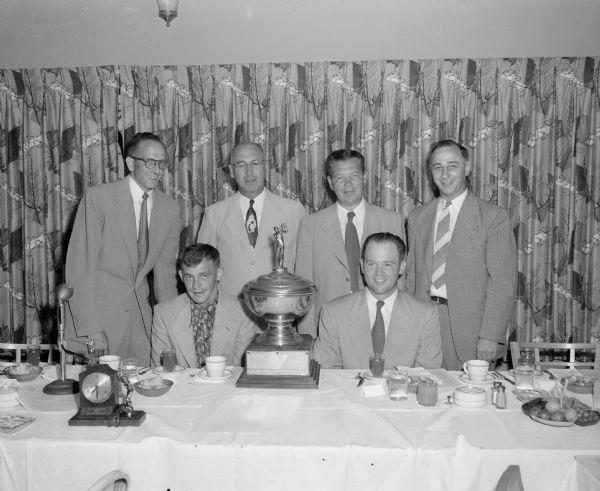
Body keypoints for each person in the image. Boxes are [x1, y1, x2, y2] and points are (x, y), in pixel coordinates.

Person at [65, 132, 180, 366]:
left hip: (141, 321)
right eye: (150, 161)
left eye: (162, 163)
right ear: (130, 163)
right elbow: (81, 267)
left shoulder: (170, 208)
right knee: (100, 395)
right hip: (99, 320)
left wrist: (171, 328)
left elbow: (165, 277)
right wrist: (91, 329)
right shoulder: (99, 198)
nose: (157, 169)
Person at [405, 139, 517, 370]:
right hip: (424, 324)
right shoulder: (417, 218)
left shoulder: (493, 218)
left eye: (452, 166)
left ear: (467, 168)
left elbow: (503, 283)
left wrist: (491, 335)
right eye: (438, 167)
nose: (445, 174)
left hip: (472, 331)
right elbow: (411, 278)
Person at [295, 149, 405, 338]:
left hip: (380, 325)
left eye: (354, 176)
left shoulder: (391, 221)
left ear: (365, 177)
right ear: (330, 182)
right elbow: (304, 287)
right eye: (339, 178)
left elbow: (400, 281)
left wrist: (398, 330)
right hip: (329, 329)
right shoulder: (310, 225)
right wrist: (308, 336)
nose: (348, 184)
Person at [312, 233, 442, 370]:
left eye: (387, 264)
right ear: (362, 266)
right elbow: (326, 374)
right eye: (372, 264)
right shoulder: (334, 312)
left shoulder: (425, 315)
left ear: (402, 267)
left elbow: (426, 377)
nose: (379, 272)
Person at [197, 142, 306, 298]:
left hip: (280, 309)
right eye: (241, 165)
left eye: (255, 163)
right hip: (230, 311)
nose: (249, 172)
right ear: (232, 171)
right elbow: (203, 270)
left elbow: (304, 267)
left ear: (265, 167)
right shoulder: (214, 214)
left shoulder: (294, 211)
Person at [151, 244, 257, 368]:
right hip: (181, 387)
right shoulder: (163, 314)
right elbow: (160, 374)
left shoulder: (243, 313)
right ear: (181, 276)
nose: (196, 285)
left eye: (204, 276)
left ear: (219, 274)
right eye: (189, 277)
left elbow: (242, 372)